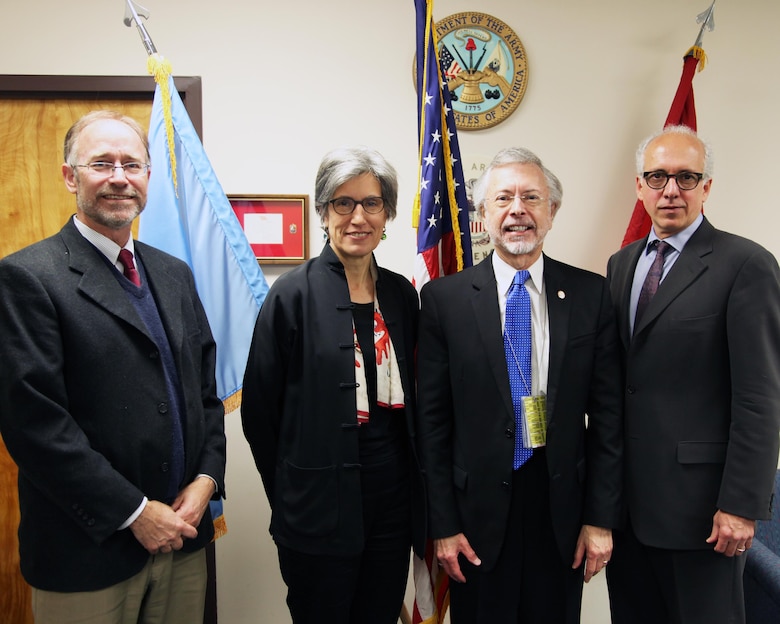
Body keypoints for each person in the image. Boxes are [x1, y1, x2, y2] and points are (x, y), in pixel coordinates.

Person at [0, 111, 226, 624]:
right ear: (69, 176)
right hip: (90, 551)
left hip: (183, 542)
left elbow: (206, 394)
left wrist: (208, 478)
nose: (119, 177)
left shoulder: (173, 274)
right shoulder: (27, 278)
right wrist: (136, 512)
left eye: (132, 164)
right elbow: (35, 426)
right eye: (101, 163)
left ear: (148, 177)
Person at [417, 147, 623, 623]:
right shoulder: (444, 300)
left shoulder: (591, 295)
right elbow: (431, 424)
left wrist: (599, 518)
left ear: (551, 212)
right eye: (503, 198)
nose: (518, 210)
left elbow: (609, 418)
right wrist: (443, 526)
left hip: (562, 516)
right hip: (475, 519)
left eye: (532, 197)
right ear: (483, 214)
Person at [241, 146, 425, 624]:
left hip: (392, 505)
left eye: (372, 203)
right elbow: (260, 414)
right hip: (317, 508)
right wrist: (288, 496)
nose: (358, 216)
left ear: (387, 214)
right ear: (323, 212)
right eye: (343, 203)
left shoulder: (402, 295)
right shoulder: (291, 295)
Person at [605, 125, 780, 624]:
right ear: (639, 186)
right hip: (629, 511)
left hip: (704, 514)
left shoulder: (745, 264)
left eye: (686, 177)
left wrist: (741, 505)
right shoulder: (622, 265)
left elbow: (759, 398)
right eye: (657, 177)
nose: (670, 190)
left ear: (706, 188)